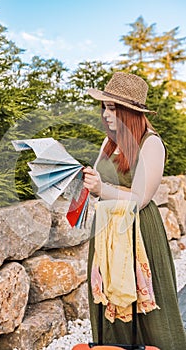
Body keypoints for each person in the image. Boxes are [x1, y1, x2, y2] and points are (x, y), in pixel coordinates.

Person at [83, 72, 186, 349]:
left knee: (146, 306)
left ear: (130, 112)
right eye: (104, 107)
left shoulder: (151, 143)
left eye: (112, 108)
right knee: (109, 299)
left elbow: (140, 198)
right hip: (106, 231)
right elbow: (100, 181)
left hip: (137, 233)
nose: (105, 114)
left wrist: (101, 189)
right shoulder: (109, 142)